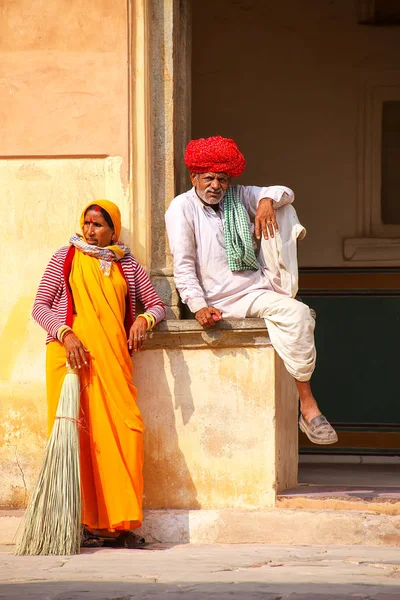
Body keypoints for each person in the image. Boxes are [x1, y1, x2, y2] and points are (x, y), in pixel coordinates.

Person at [165, 136, 337, 445]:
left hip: (260, 287)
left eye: (222, 179)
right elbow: (184, 263)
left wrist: (265, 202)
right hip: (221, 301)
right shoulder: (182, 207)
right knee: (298, 314)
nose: (216, 185)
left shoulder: (238, 195)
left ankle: (306, 409)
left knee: (282, 209)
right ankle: (310, 408)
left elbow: (286, 192)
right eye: (209, 178)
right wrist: (197, 305)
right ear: (194, 177)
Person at [32, 199, 166, 548]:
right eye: (87, 223)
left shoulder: (128, 265)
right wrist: (66, 333)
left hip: (112, 360)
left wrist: (143, 319)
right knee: (74, 440)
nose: (90, 231)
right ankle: (77, 523)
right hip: (68, 360)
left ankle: (120, 524)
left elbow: (157, 304)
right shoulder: (65, 258)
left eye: (99, 225)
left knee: (126, 432)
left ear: (113, 231)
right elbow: (40, 306)